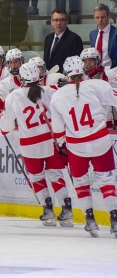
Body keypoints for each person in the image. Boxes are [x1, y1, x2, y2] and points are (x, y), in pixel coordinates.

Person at [0, 62, 73, 227]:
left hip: (30, 145)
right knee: (56, 175)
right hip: (49, 141)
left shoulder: (13, 96)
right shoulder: (47, 91)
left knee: (37, 178)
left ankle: (48, 210)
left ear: (21, 78)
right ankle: (67, 209)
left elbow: (7, 126)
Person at [50, 56, 117, 237]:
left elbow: (57, 129)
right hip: (100, 141)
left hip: (76, 146)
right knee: (107, 182)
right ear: (83, 69)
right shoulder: (99, 85)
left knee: (81, 183)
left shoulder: (57, 96)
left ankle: (90, 219)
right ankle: (115, 218)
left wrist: (62, 146)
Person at [89, 3, 117, 68]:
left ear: (108, 16)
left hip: (112, 70)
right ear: (94, 17)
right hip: (96, 71)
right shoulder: (92, 34)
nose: (100, 20)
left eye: (102, 17)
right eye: (97, 17)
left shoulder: (115, 33)